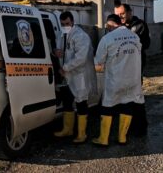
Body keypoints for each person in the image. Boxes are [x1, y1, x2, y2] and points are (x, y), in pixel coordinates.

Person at [92, 14, 143, 146]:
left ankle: (103, 139)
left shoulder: (107, 38)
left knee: (107, 107)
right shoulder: (135, 36)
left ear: (109, 25)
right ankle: (122, 138)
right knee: (127, 105)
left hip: (115, 79)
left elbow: (98, 61)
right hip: (133, 79)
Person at [53, 11, 97, 143]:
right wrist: (56, 52)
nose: (65, 26)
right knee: (67, 101)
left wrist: (65, 68)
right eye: (62, 24)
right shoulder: (61, 34)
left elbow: (81, 58)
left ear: (72, 21)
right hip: (67, 75)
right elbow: (59, 50)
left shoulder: (81, 36)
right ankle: (68, 130)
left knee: (81, 102)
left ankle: (82, 134)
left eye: (67, 23)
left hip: (79, 75)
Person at [114, 3, 149, 137]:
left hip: (135, 66)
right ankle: (128, 125)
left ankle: (140, 126)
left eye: (122, 14)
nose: (120, 17)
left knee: (135, 95)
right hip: (122, 65)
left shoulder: (139, 25)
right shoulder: (119, 27)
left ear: (129, 12)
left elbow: (145, 44)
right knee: (124, 97)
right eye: (117, 14)